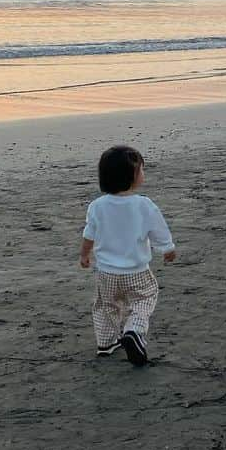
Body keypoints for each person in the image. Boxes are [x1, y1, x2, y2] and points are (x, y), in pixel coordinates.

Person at [80, 145, 176, 366]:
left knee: (106, 306)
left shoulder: (97, 206)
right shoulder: (144, 205)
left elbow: (89, 234)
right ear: (132, 177)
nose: (143, 174)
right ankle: (134, 330)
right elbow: (159, 230)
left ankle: (105, 343)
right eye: (141, 170)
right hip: (137, 271)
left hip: (107, 273)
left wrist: (84, 255)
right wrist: (167, 249)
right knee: (145, 298)